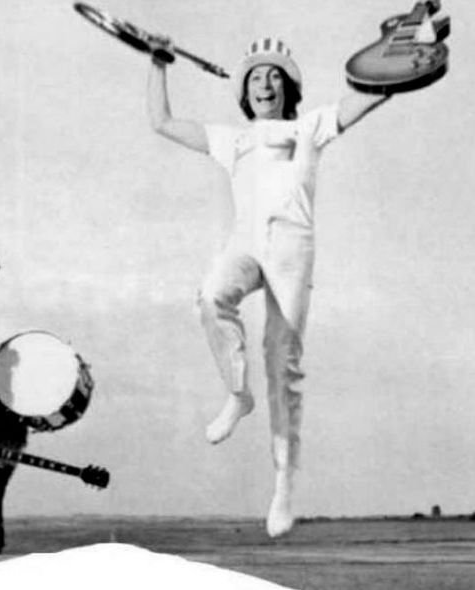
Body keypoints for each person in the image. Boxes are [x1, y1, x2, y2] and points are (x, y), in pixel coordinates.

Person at [147, 36, 391, 537]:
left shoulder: (309, 126)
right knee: (212, 295)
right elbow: (162, 122)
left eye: (274, 75)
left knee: (283, 364)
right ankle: (238, 394)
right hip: (246, 243)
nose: (264, 83)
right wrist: (158, 64)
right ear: (245, 92)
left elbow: (369, 95)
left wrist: (400, 60)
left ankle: (282, 488)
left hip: (292, 249)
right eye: (256, 76)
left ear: (288, 88)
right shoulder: (230, 139)